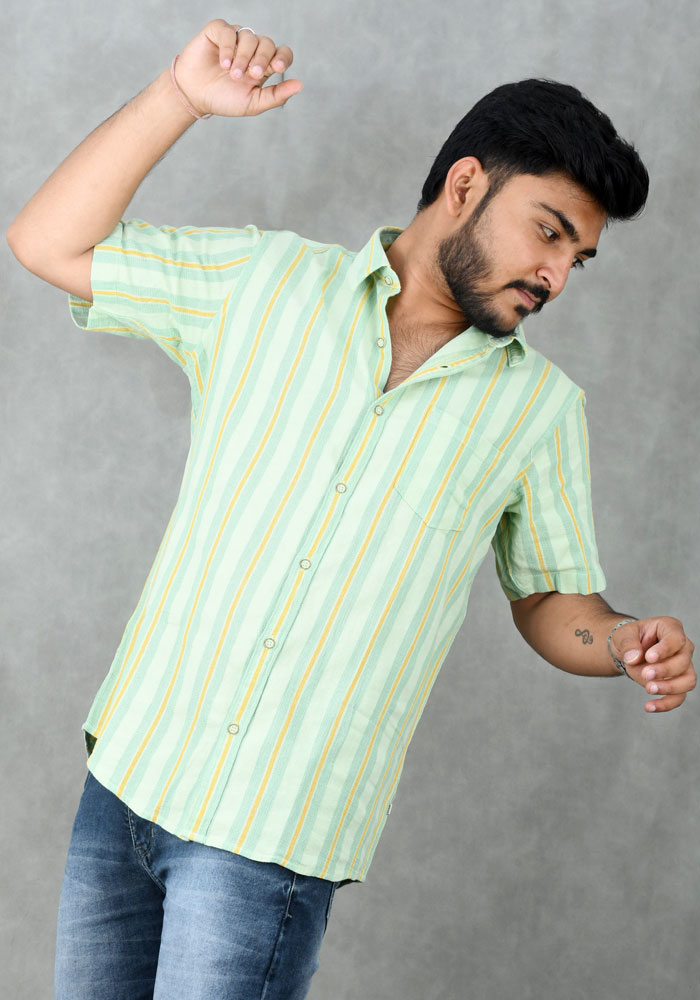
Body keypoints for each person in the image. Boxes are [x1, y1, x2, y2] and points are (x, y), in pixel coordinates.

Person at [7, 17, 696, 1000]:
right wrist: (180, 98)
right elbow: (46, 240)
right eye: (549, 231)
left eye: (576, 259)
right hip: (125, 779)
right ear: (466, 184)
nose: (554, 276)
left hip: (269, 841)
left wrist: (621, 639)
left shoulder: (539, 412)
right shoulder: (265, 285)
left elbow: (552, 599)